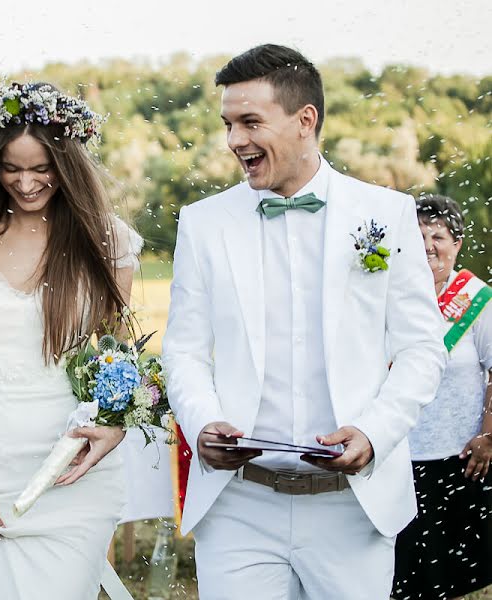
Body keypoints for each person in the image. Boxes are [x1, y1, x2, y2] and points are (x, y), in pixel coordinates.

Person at [162, 44, 447, 599]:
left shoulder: (385, 216)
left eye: (250, 122)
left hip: (352, 505)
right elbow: (186, 350)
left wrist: (375, 431)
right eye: (227, 124)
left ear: (304, 121)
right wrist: (202, 422)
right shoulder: (203, 223)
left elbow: (422, 349)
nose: (234, 141)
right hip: (238, 504)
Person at [0, 82, 142, 599]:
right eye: (11, 168)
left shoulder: (107, 240)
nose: (26, 183)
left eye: (42, 168)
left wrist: (115, 429)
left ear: (67, 163)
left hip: (75, 465)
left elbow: (119, 359)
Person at [392, 194, 492, 599]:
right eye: (419, 235)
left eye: (439, 235)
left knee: (456, 575)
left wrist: (488, 435)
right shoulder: (390, 297)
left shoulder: (478, 299)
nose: (429, 245)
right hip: (398, 458)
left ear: (458, 244)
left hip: (462, 460)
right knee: (404, 575)